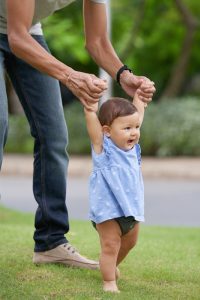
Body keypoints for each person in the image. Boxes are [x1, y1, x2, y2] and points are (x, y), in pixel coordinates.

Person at [0, 0, 155, 269]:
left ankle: (50, 242)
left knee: (54, 136)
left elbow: (97, 42)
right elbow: (16, 37)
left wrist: (124, 76)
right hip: (20, 34)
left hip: (29, 31)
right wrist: (70, 76)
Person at [84, 82, 150, 292]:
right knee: (111, 245)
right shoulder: (104, 148)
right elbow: (93, 127)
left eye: (136, 128)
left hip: (131, 209)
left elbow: (137, 114)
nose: (134, 132)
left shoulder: (132, 149)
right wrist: (90, 109)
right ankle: (109, 282)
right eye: (127, 128)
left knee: (129, 243)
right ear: (107, 131)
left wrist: (139, 97)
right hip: (108, 210)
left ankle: (109, 265)